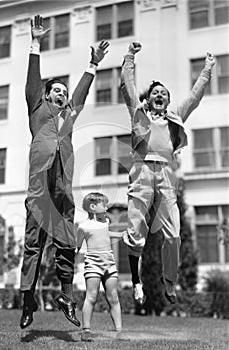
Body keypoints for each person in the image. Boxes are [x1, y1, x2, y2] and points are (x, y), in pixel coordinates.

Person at [20, 15, 109, 329]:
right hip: (40, 188)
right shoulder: (36, 108)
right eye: (55, 90)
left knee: (66, 243)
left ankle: (66, 297)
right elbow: (33, 79)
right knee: (33, 245)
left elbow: (81, 94)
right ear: (45, 96)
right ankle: (28, 301)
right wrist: (36, 42)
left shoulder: (69, 114)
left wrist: (93, 64)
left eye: (63, 91)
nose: (61, 93)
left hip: (63, 189)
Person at [121, 42, 215, 305]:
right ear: (149, 98)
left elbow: (195, 97)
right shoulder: (137, 113)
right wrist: (129, 57)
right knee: (135, 228)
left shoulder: (176, 115)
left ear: (168, 99)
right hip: (141, 170)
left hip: (165, 172)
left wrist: (206, 69)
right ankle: (136, 281)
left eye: (163, 92)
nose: (159, 95)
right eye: (155, 92)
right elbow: (128, 87)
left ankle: (169, 281)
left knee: (173, 233)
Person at [76, 192, 123, 342]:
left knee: (113, 297)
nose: (106, 206)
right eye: (104, 204)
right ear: (93, 206)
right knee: (91, 296)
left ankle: (119, 331)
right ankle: (86, 331)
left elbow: (106, 233)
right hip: (93, 264)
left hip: (109, 262)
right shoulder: (83, 227)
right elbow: (77, 245)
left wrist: (121, 234)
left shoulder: (106, 222)